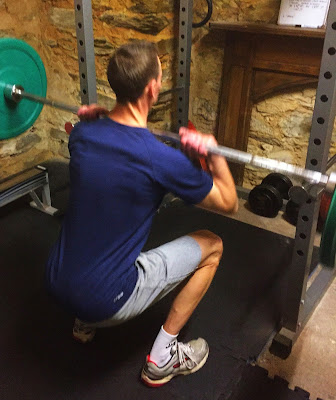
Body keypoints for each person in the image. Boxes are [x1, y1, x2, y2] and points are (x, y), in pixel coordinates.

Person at [45, 40, 238, 387]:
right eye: (160, 77)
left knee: (99, 217)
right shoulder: (161, 158)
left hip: (57, 281)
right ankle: (162, 358)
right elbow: (229, 203)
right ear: (153, 89)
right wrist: (214, 154)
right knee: (213, 245)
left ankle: (83, 323)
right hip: (105, 301)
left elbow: (100, 144)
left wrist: (95, 117)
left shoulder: (83, 133)